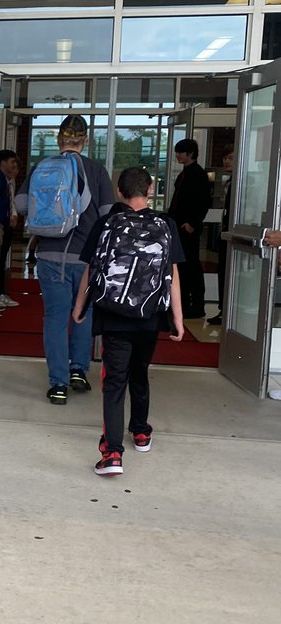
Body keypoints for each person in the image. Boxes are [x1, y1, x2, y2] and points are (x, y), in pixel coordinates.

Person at [72, 166, 184, 477]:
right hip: (150, 317)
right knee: (140, 372)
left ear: (119, 192)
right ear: (149, 190)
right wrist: (177, 318)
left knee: (114, 382)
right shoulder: (166, 224)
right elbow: (172, 275)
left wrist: (79, 306)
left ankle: (112, 453)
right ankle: (141, 431)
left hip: (114, 316)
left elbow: (91, 271)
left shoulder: (107, 222)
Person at [15, 113, 114, 404]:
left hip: (48, 254)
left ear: (59, 139)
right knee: (82, 314)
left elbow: (21, 204)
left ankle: (57, 384)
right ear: (84, 141)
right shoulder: (96, 171)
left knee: (55, 319)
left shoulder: (42, 167)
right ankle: (78, 371)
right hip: (84, 258)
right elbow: (108, 213)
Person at [166, 137, 212, 320]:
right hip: (179, 226)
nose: (178, 155)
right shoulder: (185, 173)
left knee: (191, 266)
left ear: (190, 153)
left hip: (188, 228)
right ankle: (183, 303)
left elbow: (203, 202)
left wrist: (193, 223)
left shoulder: (197, 174)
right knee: (183, 267)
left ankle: (196, 305)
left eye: (180, 152)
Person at [0, 149, 20, 310]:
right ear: (3, 163)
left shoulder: (8, 181)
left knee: (0, 260)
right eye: (12, 162)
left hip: (4, 225)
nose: (15, 165)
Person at [207, 146, 233, 326]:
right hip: (225, 234)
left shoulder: (241, 183)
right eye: (225, 158)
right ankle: (223, 310)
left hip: (232, 234)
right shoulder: (229, 182)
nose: (226, 162)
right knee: (222, 272)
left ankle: (228, 311)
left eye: (230, 158)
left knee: (229, 273)